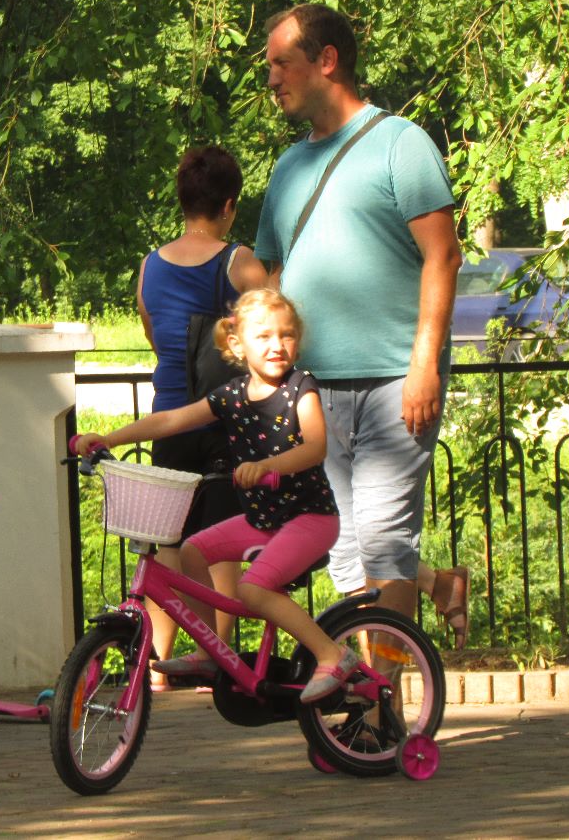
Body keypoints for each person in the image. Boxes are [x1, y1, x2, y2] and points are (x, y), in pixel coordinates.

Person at [254, 4, 468, 643]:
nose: (271, 79)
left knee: (383, 542)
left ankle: (385, 696)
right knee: (344, 550)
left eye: (281, 63)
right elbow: (274, 279)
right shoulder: (287, 167)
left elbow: (443, 255)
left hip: (394, 382)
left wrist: (424, 365)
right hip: (313, 390)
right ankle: (371, 689)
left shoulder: (401, 143)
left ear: (327, 60)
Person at [76, 289, 358, 703]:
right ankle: (212, 650)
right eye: (264, 336)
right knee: (192, 552)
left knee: (252, 589)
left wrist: (268, 465)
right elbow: (171, 420)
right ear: (237, 345)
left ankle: (332, 653)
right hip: (264, 519)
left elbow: (315, 447)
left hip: (310, 519)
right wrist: (109, 438)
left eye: (287, 335)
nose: (277, 345)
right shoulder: (232, 396)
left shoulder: (302, 388)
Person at [136, 145, 268, 689]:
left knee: (167, 543)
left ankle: (156, 666)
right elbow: (274, 327)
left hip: (168, 416)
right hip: (221, 421)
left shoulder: (149, 265)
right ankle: (220, 656)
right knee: (220, 543)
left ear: (183, 199)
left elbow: (154, 334)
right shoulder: (237, 261)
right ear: (229, 205)